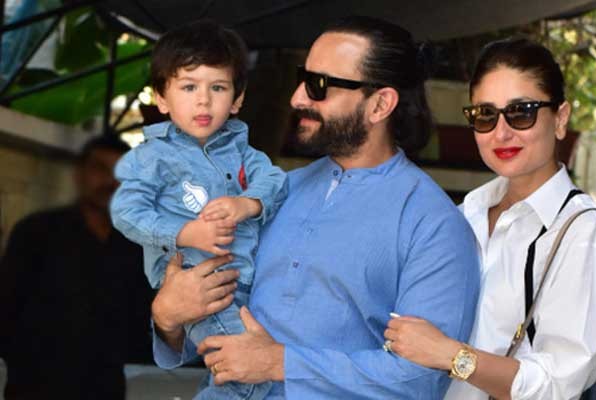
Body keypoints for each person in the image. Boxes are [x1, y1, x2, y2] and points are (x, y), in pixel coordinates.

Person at [149, 16, 481, 399]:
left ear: (380, 104)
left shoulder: (433, 224)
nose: (297, 98)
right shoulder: (276, 193)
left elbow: (420, 379)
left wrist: (282, 363)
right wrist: (168, 320)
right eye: (302, 78)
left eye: (318, 85)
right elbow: (214, 329)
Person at [383, 37, 596, 399]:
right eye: (485, 115)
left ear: (560, 119)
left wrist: (449, 355)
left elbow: (556, 384)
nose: (501, 132)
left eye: (521, 112)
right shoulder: (463, 216)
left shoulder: (586, 233)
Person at [110, 20, 287, 400]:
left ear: (237, 100)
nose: (203, 100)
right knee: (245, 371)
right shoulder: (153, 156)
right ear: (162, 98)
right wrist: (184, 233)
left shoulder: (244, 152)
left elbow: (275, 181)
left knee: (248, 363)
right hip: (198, 285)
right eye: (189, 87)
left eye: (218, 88)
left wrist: (247, 203)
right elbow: (125, 211)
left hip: (249, 285)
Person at [0, 135, 154, 399]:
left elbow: (141, 319)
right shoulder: (37, 232)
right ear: (79, 174)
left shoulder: (134, 247)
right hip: (37, 386)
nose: (110, 182)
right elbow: (6, 307)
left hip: (104, 388)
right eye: (100, 169)